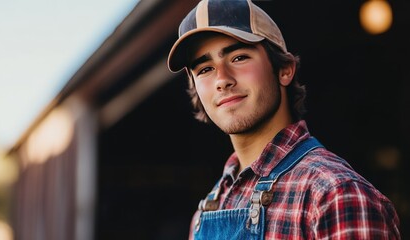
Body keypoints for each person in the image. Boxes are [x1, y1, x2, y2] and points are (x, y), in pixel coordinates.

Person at [167, 0, 401, 239]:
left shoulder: (336, 195)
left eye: (239, 57)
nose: (222, 80)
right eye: (205, 69)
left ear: (284, 70)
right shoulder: (206, 211)